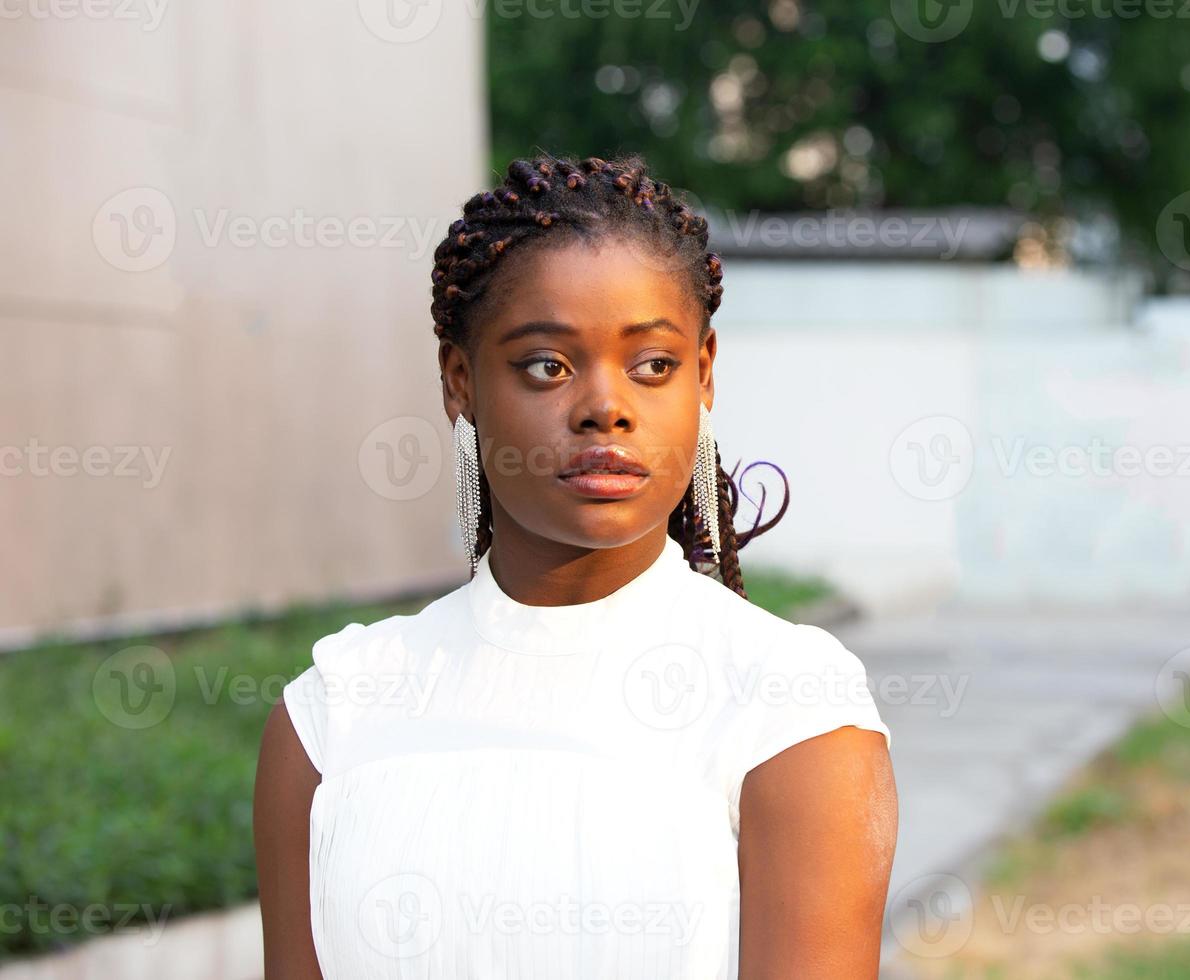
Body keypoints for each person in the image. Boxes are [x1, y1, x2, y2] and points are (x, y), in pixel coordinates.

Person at [253, 152, 898, 978]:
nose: (605, 406)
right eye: (546, 366)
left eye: (652, 365)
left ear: (702, 375)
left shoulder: (785, 705)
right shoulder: (334, 713)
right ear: (461, 383)